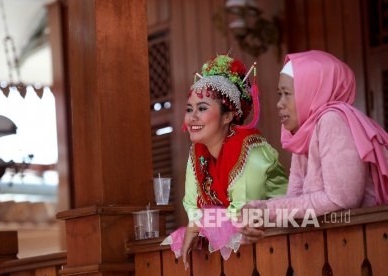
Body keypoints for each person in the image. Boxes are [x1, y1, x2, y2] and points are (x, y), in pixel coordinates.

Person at [240, 50, 388, 243]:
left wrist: (267, 211)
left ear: (312, 91)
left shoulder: (332, 120)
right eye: (279, 94)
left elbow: (340, 200)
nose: (279, 103)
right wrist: (257, 215)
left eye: (286, 94)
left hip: (366, 243)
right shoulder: (307, 130)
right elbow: (295, 197)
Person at [161, 54, 288, 266]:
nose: (192, 117)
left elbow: (243, 212)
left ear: (227, 117)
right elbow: (192, 208)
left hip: (285, 239)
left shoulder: (250, 150)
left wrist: (199, 223)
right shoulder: (197, 153)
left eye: (202, 108)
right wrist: (198, 222)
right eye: (189, 109)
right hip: (248, 247)